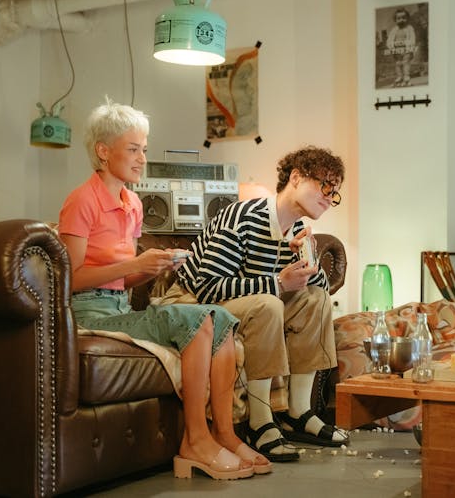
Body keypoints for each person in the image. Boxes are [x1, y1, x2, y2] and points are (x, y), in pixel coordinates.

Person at [57, 97, 271, 479]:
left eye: (144, 149)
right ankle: (195, 441)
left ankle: (224, 433)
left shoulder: (134, 203)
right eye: (133, 149)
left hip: (120, 306)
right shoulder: (81, 201)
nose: (142, 158)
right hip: (88, 312)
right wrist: (135, 264)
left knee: (219, 318)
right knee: (200, 320)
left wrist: (155, 267)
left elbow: (123, 277)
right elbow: (68, 278)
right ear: (104, 152)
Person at [159, 146, 349, 462]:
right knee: (268, 303)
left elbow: (318, 292)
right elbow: (207, 289)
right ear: (297, 177)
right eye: (325, 186)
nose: (330, 197)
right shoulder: (242, 217)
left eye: (335, 193)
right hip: (194, 303)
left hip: (242, 305)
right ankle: (260, 421)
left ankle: (298, 412)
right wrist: (278, 283)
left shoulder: (299, 229)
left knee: (315, 299)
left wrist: (307, 259)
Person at [386, 7, 416, 87]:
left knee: (406, 62)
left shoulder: (409, 28)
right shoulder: (394, 30)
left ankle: (406, 76)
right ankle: (400, 77)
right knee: (398, 63)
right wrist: (391, 46)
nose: (401, 20)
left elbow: (412, 38)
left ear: (407, 19)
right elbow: (389, 40)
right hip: (397, 51)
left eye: (404, 18)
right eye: (398, 18)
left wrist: (410, 45)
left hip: (406, 49)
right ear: (395, 20)